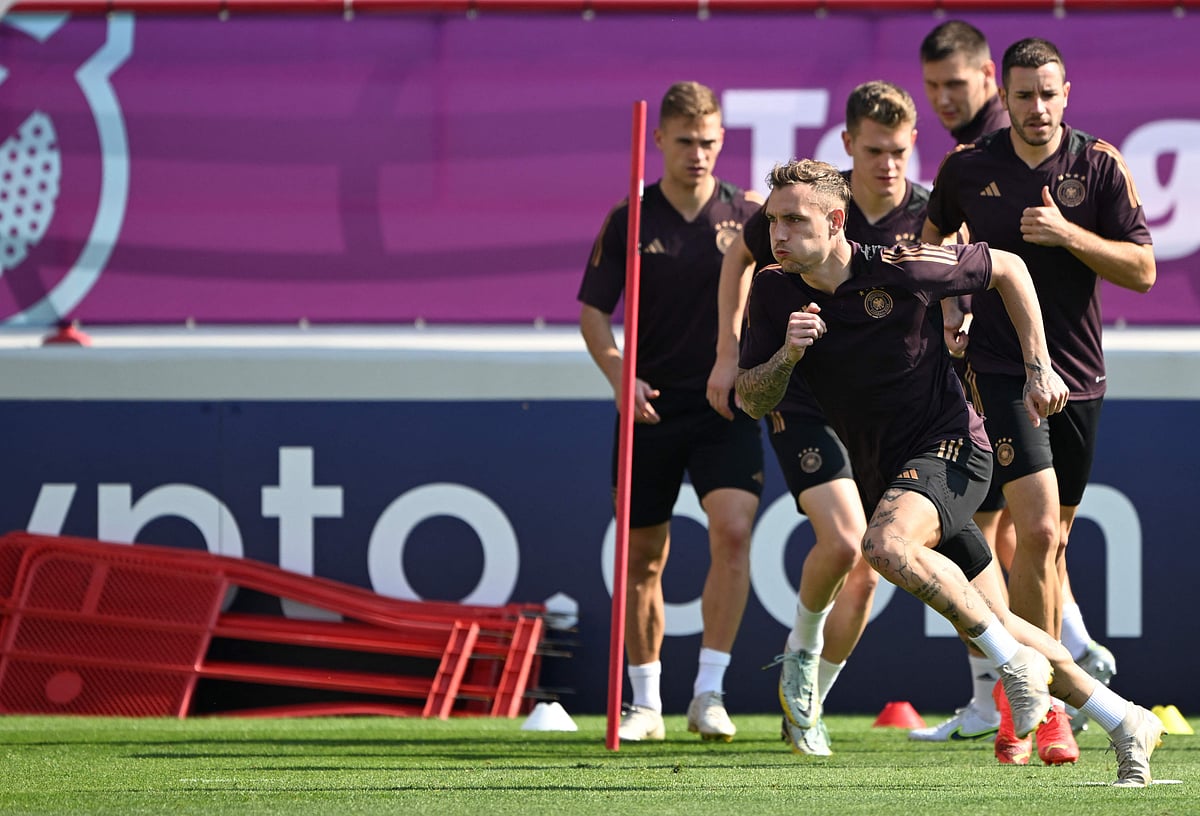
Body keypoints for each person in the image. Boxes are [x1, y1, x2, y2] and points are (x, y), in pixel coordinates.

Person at [736, 158, 1163, 787]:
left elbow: (1010, 268)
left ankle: (1015, 671)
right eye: (773, 221)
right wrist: (787, 353)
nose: (778, 233)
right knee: (1002, 621)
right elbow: (751, 398)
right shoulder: (773, 290)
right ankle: (1124, 719)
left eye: (794, 220)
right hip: (892, 477)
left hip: (955, 448)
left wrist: (1039, 366)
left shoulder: (903, 266)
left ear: (835, 221)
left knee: (884, 546)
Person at [922, 38, 1156, 764]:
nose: (1036, 107)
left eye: (1048, 93)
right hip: (1001, 371)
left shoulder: (1099, 165)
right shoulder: (968, 166)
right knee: (1037, 530)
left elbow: (1143, 269)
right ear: (1006, 96)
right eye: (1023, 94)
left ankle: (1028, 694)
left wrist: (1067, 234)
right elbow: (931, 240)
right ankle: (1044, 709)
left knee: (1051, 546)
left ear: (1066, 93)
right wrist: (950, 307)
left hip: (1079, 377)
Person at [706, 80, 927, 755]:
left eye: (897, 151)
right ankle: (800, 654)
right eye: (874, 151)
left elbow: (963, 282)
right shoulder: (803, 208)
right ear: (849, 147)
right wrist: (728, 353)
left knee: (871, 568)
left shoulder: (927, 215)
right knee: (845, 540)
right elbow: (740, 255)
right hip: (803, 397)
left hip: (881, 408)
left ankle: (808, 703)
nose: (887, 164)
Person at [578, 81, 764, 743]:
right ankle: (646, 703)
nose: (698, 153)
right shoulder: (630, 218)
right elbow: (593, 313)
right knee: (643, 558)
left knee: (733, 532)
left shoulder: (748, 214)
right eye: (685, 140)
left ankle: (709, 694)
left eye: (709, 141)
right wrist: (619, 375)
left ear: (722, 139)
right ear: (658, 139)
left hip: (725, 404)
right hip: (649, 407)